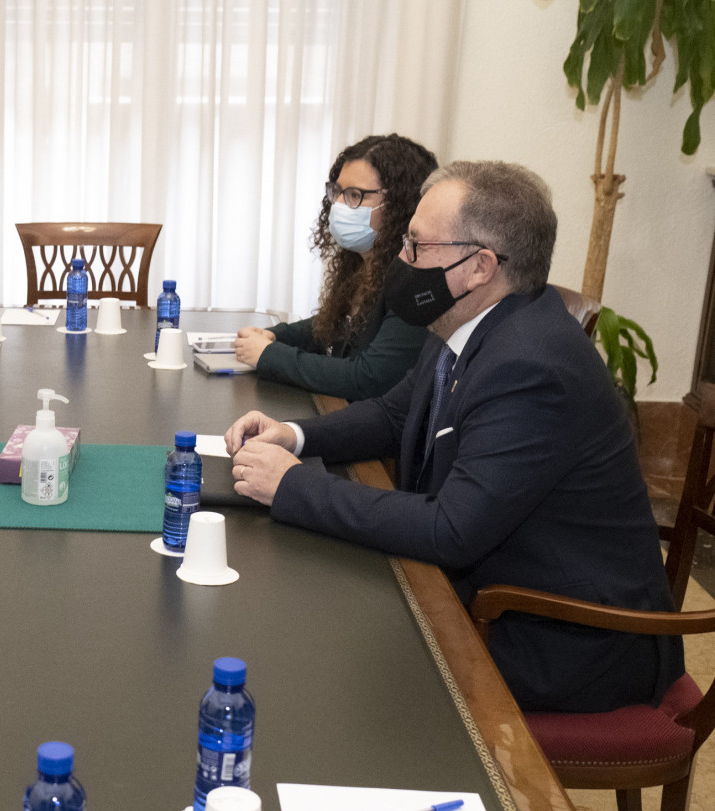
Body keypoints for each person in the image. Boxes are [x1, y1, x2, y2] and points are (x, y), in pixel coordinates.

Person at [224, 160, 681, 714]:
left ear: (480, 266)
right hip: (500, 590)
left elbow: (450, 529)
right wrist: (293, 437)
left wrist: (293, 487)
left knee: (333, 669)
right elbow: (393, 417)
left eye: (417, 245)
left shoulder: (532, 367)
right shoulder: (468, 321)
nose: (400, 258)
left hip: (568, 637)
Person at [233, 134, 438, 400]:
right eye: (337, 192)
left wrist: (270, 355)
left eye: (355, 195)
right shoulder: (364, 260)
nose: (339, 205)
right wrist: (274, 336)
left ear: (400, 204)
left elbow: (368, 378)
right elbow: (337, 326)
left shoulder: (416, 283)